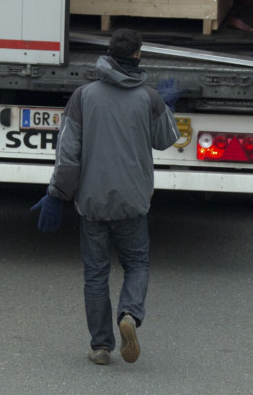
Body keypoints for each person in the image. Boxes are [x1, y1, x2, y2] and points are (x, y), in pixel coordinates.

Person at [31, 28, 180, 365]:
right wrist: (167, 105)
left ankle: (100, 346)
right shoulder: (148, 97)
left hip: (92, 202)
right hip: (132, 201)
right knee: (136, 263)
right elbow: (166, 139)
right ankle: (129, 313)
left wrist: (56, 195)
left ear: (109, 55)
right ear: (138, 56)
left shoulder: (83, 96)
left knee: (96, 273)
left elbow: (68, 155)